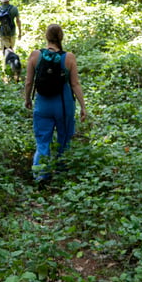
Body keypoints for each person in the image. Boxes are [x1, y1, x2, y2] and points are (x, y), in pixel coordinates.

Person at [23, 24, 88, 182]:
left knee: (42, 141)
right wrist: (83, 107)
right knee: (64, 139)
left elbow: (28, 82)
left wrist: (27, 99)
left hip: (42, 105)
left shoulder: (35, 55)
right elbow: (75, 84)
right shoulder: (69, 57)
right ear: (61, 37)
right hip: (64, 105)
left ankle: (40, 176)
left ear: (46, 37)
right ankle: (61, 174)